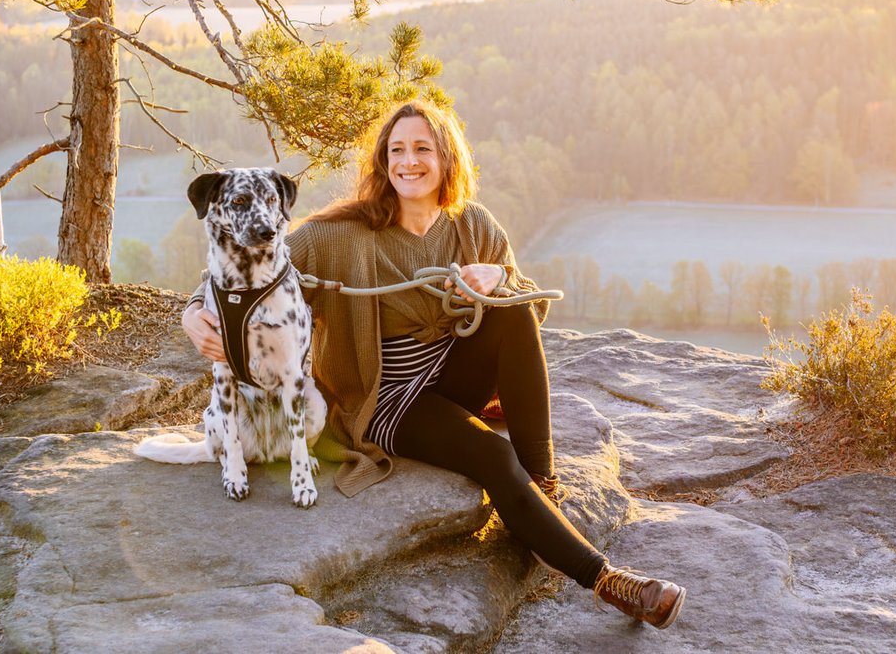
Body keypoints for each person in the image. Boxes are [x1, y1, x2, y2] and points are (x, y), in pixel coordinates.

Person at [182, 100, 685, 628]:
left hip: (447, 373)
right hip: (388, 398)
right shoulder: (337, 235)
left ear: (446, 157)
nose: (409, 161)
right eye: (396, 149)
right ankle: (609, 582)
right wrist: (195, 312)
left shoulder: (471, 223)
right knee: (491, 454)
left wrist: (499, 281)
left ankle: (541, 486)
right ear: (382, 161)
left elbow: (532, 308)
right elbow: (246, 267)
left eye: (423, 148)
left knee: (511, 318)